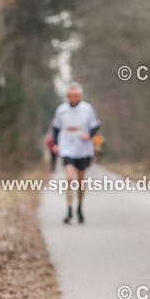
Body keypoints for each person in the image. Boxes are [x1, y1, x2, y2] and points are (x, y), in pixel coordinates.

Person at [51, 83, 100, 224]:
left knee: (80, 181)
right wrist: (55, 144)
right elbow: (55, 127)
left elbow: (95, 125)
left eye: (75, 95)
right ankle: (69, 209)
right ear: (67, 96)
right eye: (70, 95)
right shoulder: (61, 110)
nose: (72, 98)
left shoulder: (87, 109)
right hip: (66, 145)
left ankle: (79, 207)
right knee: (70, 179)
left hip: (82, 147)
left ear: (80, 96)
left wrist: (88, 135)